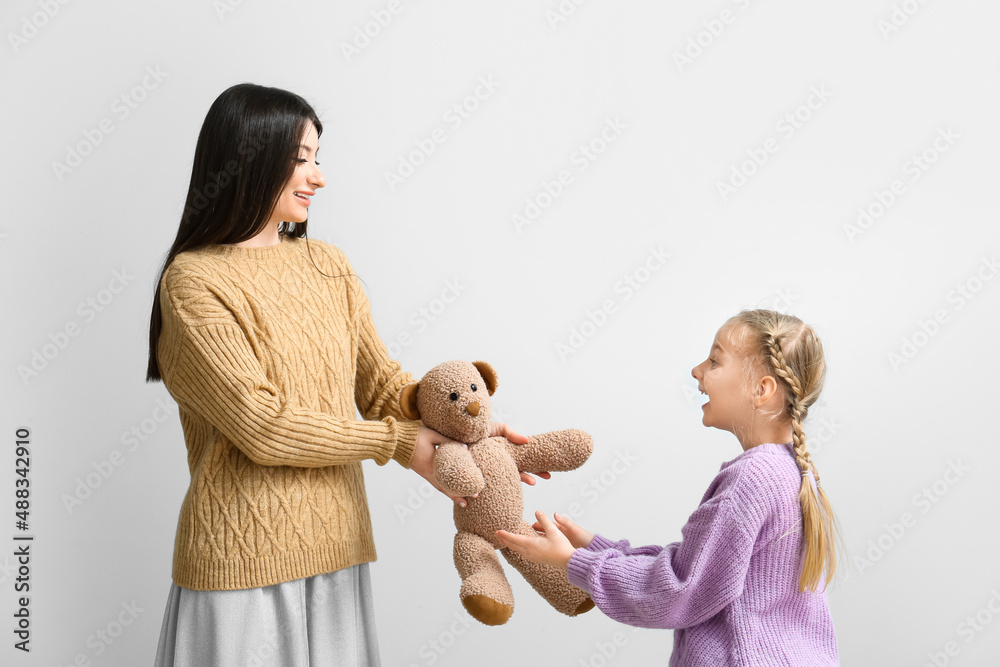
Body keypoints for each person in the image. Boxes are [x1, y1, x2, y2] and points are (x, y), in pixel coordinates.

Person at [145, 82, 545, 666]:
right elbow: (264, 427)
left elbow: (381, 385)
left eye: (317, 157)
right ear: (248, 162)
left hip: (338, 551)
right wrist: (400, 443)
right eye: (300, 159)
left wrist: (468, 428)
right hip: (242, 563)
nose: (318, 177)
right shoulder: (194, 282)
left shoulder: (329, 265)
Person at [496, 309, 841, 665]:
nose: (698, 371)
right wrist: (593, 546)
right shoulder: (792, 471)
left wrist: (572, 562)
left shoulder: (752, 478)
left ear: (761, 389)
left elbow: (681, 590)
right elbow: (696, 566)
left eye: (715, 360)